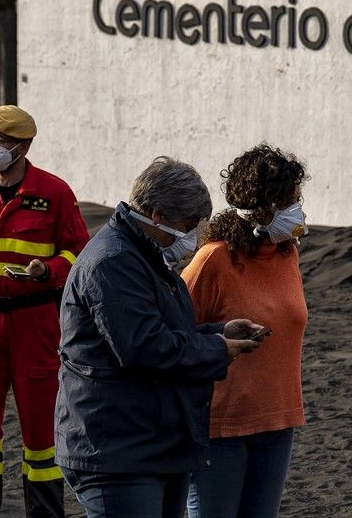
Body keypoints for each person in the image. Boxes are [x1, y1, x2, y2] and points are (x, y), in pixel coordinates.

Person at [54, 156, 264, 518]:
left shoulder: (145, 256)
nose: (191, 238)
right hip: (117, 452)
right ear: (155, 214)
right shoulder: (113, 262)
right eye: (186, 225)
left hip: (151, 444)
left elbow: (164, 333)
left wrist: (218, 332)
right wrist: (216, 348)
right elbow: (144, 348)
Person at [0, 105, 89, 517]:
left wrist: (49, 269)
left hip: (35, 321)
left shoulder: (55, 192)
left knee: (42, 436)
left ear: (24, 147)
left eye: (3, 141)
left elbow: (79, 254)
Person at [183, 144, 309, 518]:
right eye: (291, 201)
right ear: (264, 207)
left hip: (279, 419)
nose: (299, 210)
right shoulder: (214, 259)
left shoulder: (288, 254)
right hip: (220, 426)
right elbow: (177, 334)